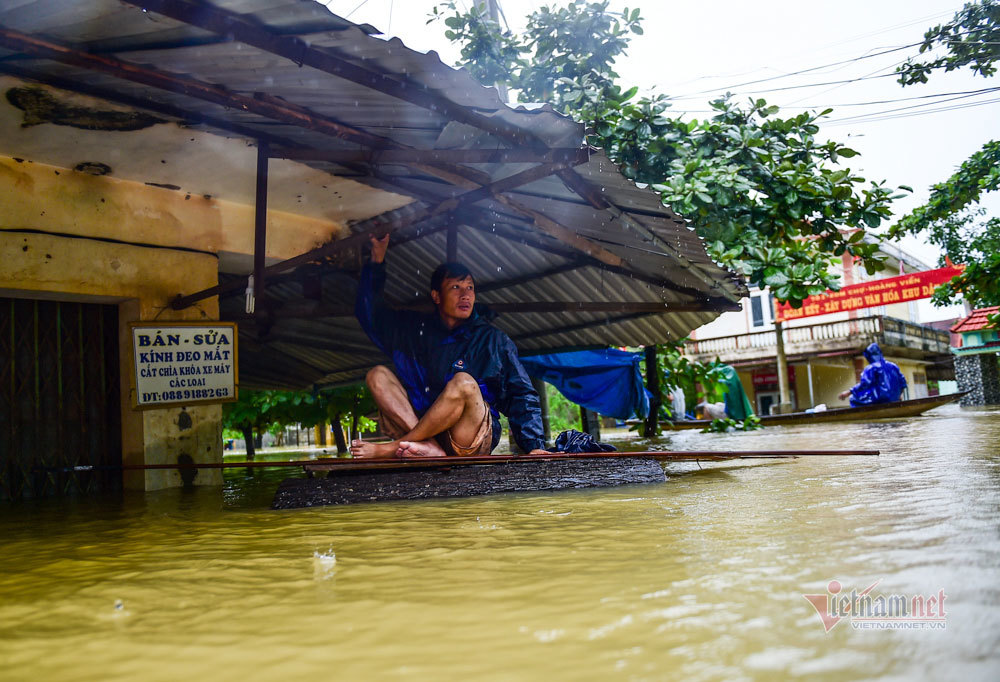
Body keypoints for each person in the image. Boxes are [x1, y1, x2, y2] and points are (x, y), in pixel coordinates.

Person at [350, 234, 548, 458]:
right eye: (455, 287)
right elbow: (370, 316)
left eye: (470, 288)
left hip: (467, 436)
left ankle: (395, 447)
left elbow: (521, 393)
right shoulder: (414, 331)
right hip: (421, 427)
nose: (465, 295)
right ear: (436, 296)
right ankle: (429, 445)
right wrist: (376, 260)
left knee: (463, 382)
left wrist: (533, 444)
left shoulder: (492, 340)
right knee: (377, 375)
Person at [837, 342, 907, 407]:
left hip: (879, 400)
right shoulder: (893, 365)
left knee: (853, 398)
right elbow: (903, 383)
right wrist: (899, 396)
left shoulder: (871, 368)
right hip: (894, 399)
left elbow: (864, 385)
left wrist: (849, 392)